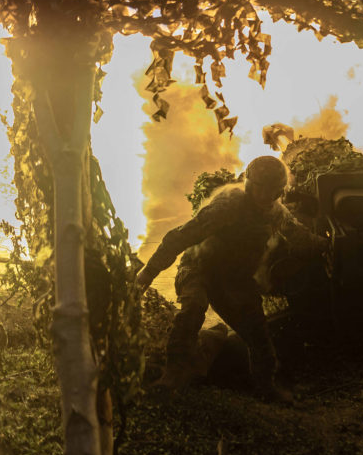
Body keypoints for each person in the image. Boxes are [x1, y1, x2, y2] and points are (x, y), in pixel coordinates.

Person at [136, 155, 324, 400]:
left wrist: (327, 245)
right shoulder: (228, 206)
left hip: (235, 279)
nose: (268, 198)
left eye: (275, 192)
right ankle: (172, 375)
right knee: (193, 307)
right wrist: (147, 275)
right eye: (262, 189)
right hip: (199, 268)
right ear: (249, 184)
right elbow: (178, 238)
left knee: (258, 335)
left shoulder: (276, 212)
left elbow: (300, 237)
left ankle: (265, 386)